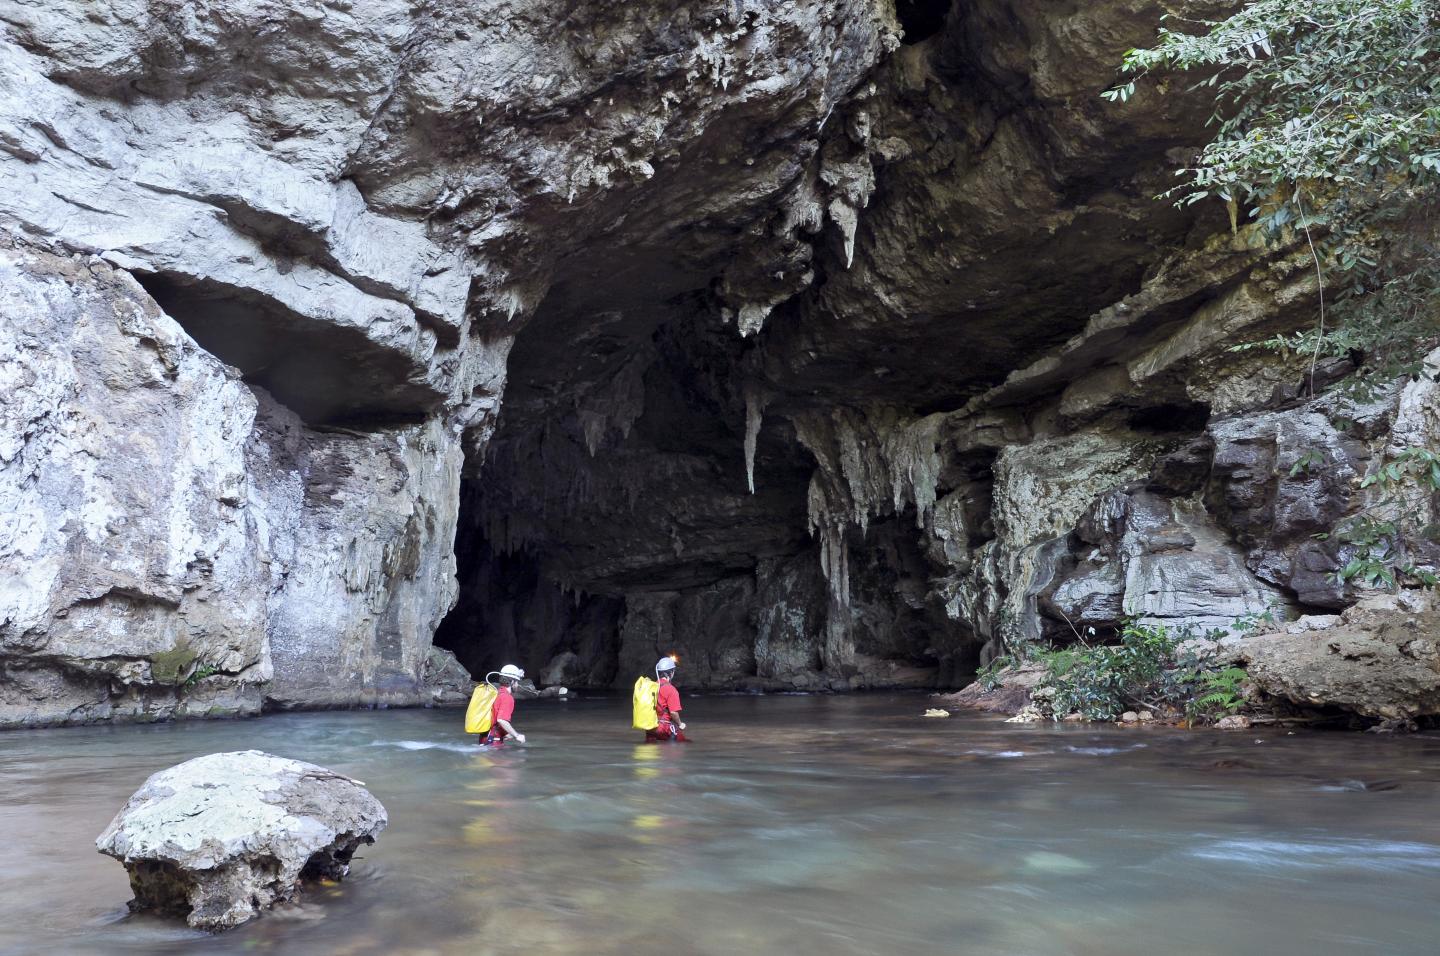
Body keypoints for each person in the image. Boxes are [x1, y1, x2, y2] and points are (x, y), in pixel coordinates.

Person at [483, 663, 528, 747]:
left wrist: (506, 734)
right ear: (512, 681)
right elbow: (501, 720)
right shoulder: (507, 697)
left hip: (485, 738)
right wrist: (517, 735)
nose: (517, 685)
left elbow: (494, 718)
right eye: (517, 681)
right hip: (494, 742)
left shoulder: (496, 693)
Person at [650, 656, 687, 742]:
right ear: (670, 673)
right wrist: (680, 724)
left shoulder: (651, 686)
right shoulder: (671, 689)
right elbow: (673, 713)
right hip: (663, 728)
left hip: (650, 727)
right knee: (683, 742)